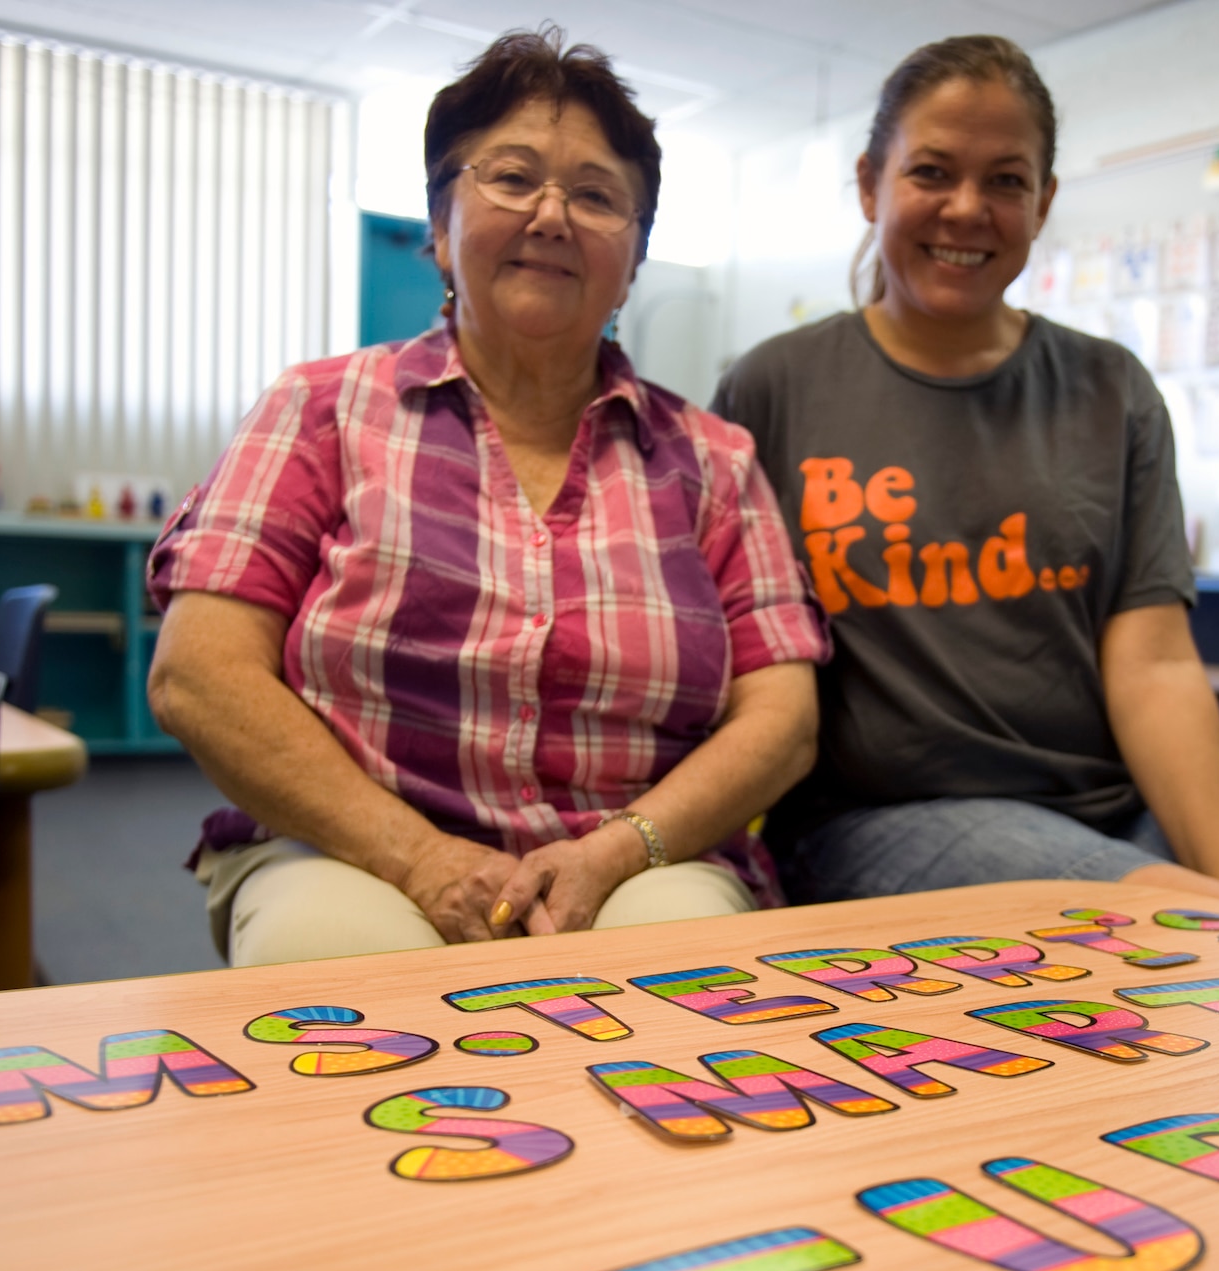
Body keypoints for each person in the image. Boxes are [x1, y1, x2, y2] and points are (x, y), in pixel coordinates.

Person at [146, 28, 827, 967]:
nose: (552, 215)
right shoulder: (321, 411)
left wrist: (619, 848)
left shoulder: (715, 459)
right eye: (511, 178)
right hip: (352, 850)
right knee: (345, 999)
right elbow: (199, 675)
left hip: (639, 861)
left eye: (596, 196)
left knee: (689, 995)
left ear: (633, 256)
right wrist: (419, 858)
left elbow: (782, 720)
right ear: (438, 224)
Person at [711, 35, 1219, 933]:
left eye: (1006, 181)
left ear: (1044, 201)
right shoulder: (775, 387)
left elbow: (1156, 665)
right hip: (874, 823)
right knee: (1197, 924)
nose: (966, 208)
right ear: (871, 184)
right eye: (932, 172)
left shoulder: (1113, 389)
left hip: (1109, 806)